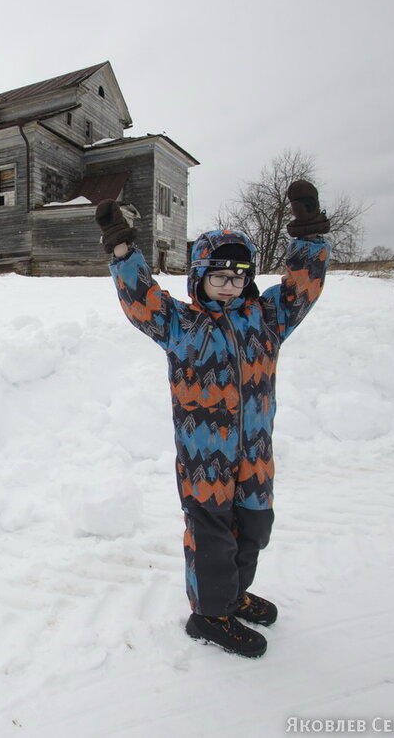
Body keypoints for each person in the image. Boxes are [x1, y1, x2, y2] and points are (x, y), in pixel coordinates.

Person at [94, 181, 331, 658]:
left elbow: (302, 289)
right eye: (219, 276)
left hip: (255, 451)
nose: (230, 285)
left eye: (239, 276)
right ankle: (209, 615)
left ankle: (233, 595)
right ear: (200, 277)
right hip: (205, 456)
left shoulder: (268, 319)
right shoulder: (181, 325)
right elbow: (141, 299)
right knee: (212, 536)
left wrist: (309, 232)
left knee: (254, 528)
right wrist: (122, 247)